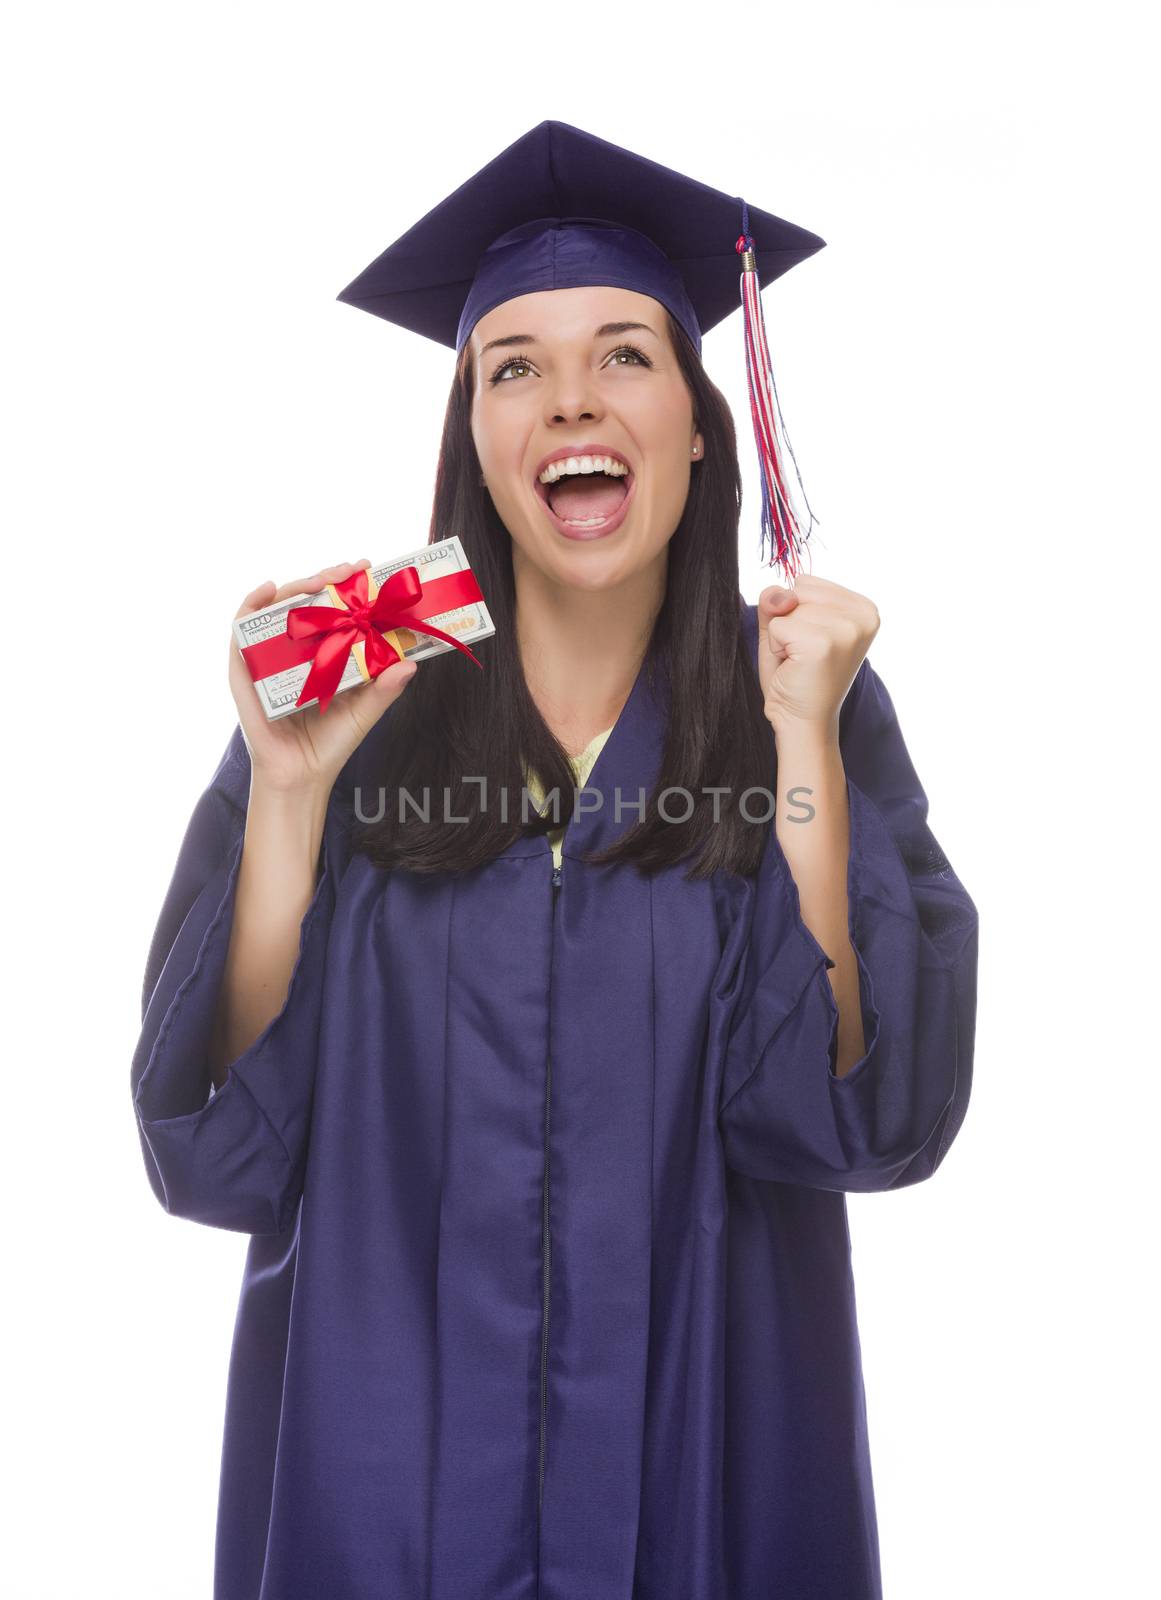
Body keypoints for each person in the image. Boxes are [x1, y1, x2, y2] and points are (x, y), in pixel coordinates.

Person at [130, 121, 979, 1600]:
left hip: (708, 1486)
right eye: (511, 365)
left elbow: (859, 1119)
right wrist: (283, 794)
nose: (569, 398)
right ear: (473, 435)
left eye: (624, 355)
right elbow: (219, 1151)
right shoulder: (350, 712)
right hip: (382, 1494)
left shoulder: (805, 707)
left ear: (701, 423)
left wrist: (798, 747)